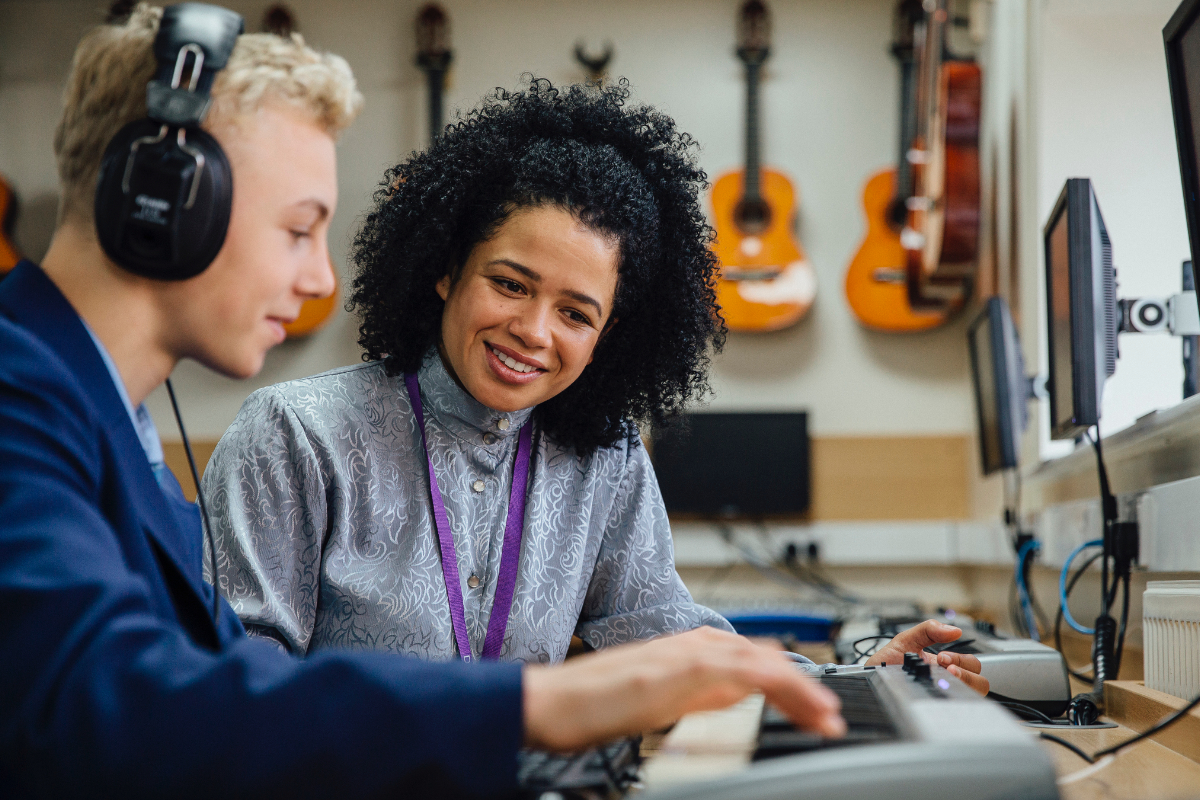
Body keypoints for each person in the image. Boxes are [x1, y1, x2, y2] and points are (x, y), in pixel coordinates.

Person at [0, 5, 895, 797]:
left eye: (577, 311)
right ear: (164, 205)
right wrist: (539, 703)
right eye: (301, 226)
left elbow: (193, 696)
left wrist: (855, 675)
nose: (320, 274)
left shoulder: (102, 421)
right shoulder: (22, 397)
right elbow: (118, 708)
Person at [199, 76, 987, 696]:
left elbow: (664, 634)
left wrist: (856, 680)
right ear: (445, 269)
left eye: (576, 312)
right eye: (509, 284)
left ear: (610, 332)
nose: (535, 332)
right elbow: (236, 682)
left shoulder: (603, 455)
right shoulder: (294, 435)